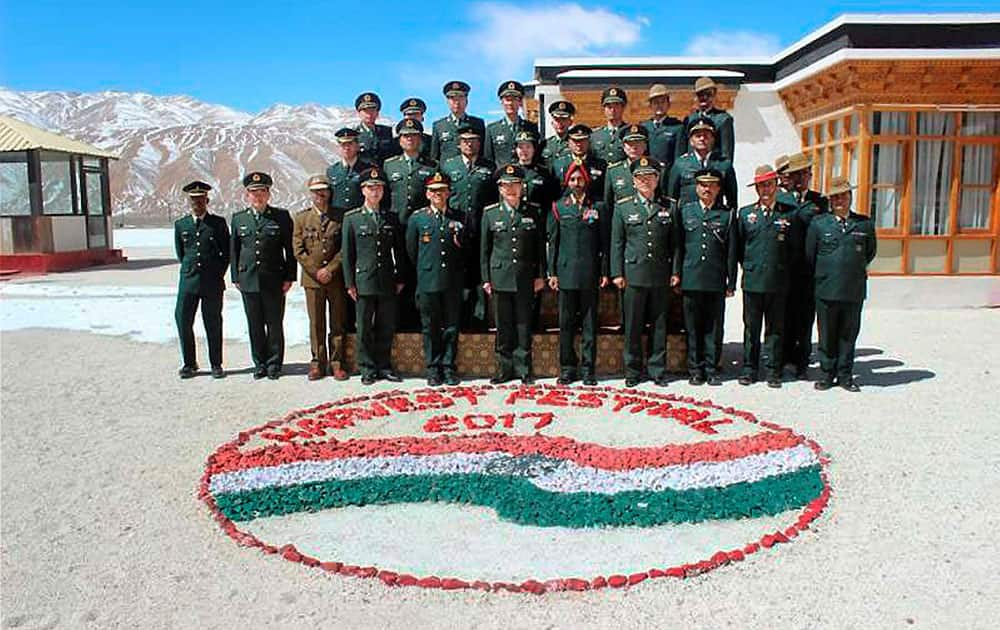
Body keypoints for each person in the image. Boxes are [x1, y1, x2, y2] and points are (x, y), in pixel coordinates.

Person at [729, 165, 800, 388]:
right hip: (753, 280)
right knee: (751, 328)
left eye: (769, 184)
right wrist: (750, 267)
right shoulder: (745, 214)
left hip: (778, 281)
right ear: (756, 188)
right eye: (761, 186)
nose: (766, 189)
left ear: (776, 185)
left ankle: (773, 370)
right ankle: (749, 369)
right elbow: (739, 248)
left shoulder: (789, 214)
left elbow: (795, 249)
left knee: (776, 328)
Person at [610, 157, 676, 387]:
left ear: (657, 180)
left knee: (659, 324)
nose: (645, 181)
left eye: (650, 177)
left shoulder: (669, 206)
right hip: (633, 274)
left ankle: (657, 369)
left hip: (659, 273)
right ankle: (633, 370)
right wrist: (617, 273)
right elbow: (617, 243)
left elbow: (675, 245)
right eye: (640, 177)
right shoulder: (623, 206)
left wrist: (675, 271)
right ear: (634, 181)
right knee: (633, 325)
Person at [806, 176, 876, 392]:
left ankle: (845, 375)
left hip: (852, 288)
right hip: (826, 288)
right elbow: (810, 255)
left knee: (848, 334)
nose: (839, 200)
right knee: (827, 334)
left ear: (850, 197)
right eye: (835, 197)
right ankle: (827, 374)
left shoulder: (864, 224)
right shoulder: (819, 224)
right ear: (830, 200)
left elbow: (870, 252)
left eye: (843, 196)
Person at [480, 164, 546, 384]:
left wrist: (540, 275)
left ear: (522, 187)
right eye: (506, 185)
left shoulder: (533, 211)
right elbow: (484, 251)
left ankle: (524, 369)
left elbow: (539, 249)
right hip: (500, 278)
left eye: (515, 184)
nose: (511, 189)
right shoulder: (490, 214)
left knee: (523, 324)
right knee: (503, 325)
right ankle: (504, 369)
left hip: (525, 277)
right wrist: (486, 279)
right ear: (500, 189)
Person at [341, 167, 406, 385]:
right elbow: (347, 254)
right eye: (371, 187)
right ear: (363, 190)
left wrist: (400, 278)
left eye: (379, 188)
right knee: (364, 326)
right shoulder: (352, 219)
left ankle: (384, 365)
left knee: (386, 326)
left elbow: (399, 251)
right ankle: (367, 367)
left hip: (387, 279)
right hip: (364, 281)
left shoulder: (391, 217)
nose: (375, 191)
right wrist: (350, 283)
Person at [230, 172, 295, 379]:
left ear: (269, 194)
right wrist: (235, 277)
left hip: (274, 279)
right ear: (246, 195)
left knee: (274, 323)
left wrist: (289, 277)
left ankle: (274, 363)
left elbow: (289, 250)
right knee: (255, 324)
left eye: (262, 191)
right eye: (253, 192)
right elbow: (234, 251)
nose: (258, 196)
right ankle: (259, 363)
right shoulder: (239, 219)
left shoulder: (281, 217)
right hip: (248, 279)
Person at [548, 161, 607, 385]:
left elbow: (603, 242)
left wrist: (604, 272)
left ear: (586, 181)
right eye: (573, 179)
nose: (576, 183)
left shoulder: (597, 207)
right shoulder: (558, 207)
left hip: (590, 274)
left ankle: (588, 369)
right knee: (566, 324)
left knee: (590, 324)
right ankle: (567, 368)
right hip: (566, 274)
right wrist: (552, 272)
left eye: (580, 179)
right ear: (567, 182)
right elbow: (553, 243)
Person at [671, 169, 732, 386]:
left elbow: (730, 252)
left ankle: (711, 367)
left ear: (718, 189)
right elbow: (678, 245)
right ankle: (695, 369)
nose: (707, 189)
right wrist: (676, 273)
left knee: (713, 327)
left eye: (712, 185)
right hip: (692, 277)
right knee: (693, 326)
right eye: (703, 185)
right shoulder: (685, 211)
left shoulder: (726, 214)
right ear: (696, 187)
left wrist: (731, 281)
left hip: (715, 279)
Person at [405, 172, 465, 386]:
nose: (438, 194)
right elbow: (412, 251)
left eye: (442, 190)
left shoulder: (459, 218)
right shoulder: (418, 218)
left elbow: (465, 249)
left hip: (452, 280)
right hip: (428, 280)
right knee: (430, 326)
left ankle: (448, 367)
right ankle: (433, 368)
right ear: (427, 193)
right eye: (433, 191)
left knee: (451, 326)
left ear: (448, 193)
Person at [292, 174, 349, 381]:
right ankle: (317, 363)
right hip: (312, 279)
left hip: (335, 278)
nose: (320, 194)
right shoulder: (301, 218)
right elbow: (298, 250)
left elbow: (344, 248)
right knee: (316, 323)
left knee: (337, 321)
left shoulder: (341, 216)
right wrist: (316, 271)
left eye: (323, 190)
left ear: (329, 192)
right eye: (316, 191)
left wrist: (331, 269)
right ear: (310, 193)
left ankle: (337, 363)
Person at [441, 123, 497, 329]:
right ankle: (458, 321)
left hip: (481, 228)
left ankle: (479, 322)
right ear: (458, 143)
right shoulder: (448, 166)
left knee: (480, 276)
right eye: (465, 141)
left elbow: (493, 199)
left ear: (480, 143)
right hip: (456, 230)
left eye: (473, 141)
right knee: (457, 277)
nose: (469, 144)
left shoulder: (489, 167)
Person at [384, 118, 438, 332]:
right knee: (399, 274)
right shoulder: (390, 165)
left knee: (421, 274)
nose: (410, 139)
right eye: (406, 136)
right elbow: (385, 196)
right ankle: (401, 323)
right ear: (399, 140)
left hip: (422, 228)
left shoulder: (431, 165)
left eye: (414, 135)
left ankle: (422, 322)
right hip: (397, 226)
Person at [174, 181, 229, 379]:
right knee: (183, 320)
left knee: (213, 322)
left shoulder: (218, 223)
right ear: (189, 202)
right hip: (188, 282)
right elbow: (181, 253)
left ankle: (216, 363)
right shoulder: (181, 225)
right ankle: (189, 363)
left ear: (207, 200)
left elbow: (226, 253)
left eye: (200, 199)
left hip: (212, 282)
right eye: (193, 199)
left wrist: (216, 273)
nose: (197, 203)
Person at [783, 152, 830, 379]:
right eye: (795, 174)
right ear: (788, 177)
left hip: (809, 269)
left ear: (810, 175)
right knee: (782, 316)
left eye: (804, 173)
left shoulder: (820, 202)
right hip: (784, 268)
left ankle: (802, 361)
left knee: (805, 317)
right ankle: (783, 359)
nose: (800, 178)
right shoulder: (782, 201)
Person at [667, 116, 738, 208]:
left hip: (715, 218)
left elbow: (732, 199)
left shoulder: (724, 165)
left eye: (706, 135)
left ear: (713, 139)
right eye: (698, 136)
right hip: (686, 219)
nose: (702, 139)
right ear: (691, 141)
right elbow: (672, 198)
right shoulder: (680, 164)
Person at [677, 77, 735, 161]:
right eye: (700, 94)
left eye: (708, 94)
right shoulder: (689, 119)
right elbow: (681, 151)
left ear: (714, 94)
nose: (704, 97)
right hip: (692, 168)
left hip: (713, 167)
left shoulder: (723, 119)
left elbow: (727, 154)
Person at [484, 80, 539, 166]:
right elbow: (488, 158)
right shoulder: (492, 129)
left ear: (520, 102)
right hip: (502, 177)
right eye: (507, 100)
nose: (510, 103)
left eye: (514, 99)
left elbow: (536, 156)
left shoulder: (531, 127)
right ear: (501, 102)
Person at [431, 81, 486, 163]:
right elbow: (434, 157)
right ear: (447, 102)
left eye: (460, 97)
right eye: (452, 98)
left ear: (466, 101)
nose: (457, 102)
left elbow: (483, 152)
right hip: (446, 173)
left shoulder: (477, 123)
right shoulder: (439, 126)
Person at [604, 124, 652, 219]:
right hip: (622, 221)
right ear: (623, 146)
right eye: (630, 143)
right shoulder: (614, 171)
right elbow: (608, 204)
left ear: (645, 145)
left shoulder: (655, 169)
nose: (634, 147)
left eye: (638, 143)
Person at [327, 127, 376, 215]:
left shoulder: (368, 170)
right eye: (343, 144)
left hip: (360, 218)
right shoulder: (331, 171)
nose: (346, 148)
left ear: (357, 146)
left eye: (350, 144)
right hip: (338, 219)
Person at [642, 84, 684, 175]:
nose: (659, 105)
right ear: (650, 105)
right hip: (648, 174)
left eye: (662, 102)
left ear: (668, 104)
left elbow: (679, 157)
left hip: (668, 173)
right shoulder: (644, 127)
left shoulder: (677, 127)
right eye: (656, 102)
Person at [354, 91, 397, 165]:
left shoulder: (386, 132)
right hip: (363, 173)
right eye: (365, 111)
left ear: (377, 113)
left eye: (372, 110)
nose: (369, 114)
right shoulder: (354, 134)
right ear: (359, 113)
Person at [590, 86, 629, 164]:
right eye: (609, 107)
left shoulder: (629, 132)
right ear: (604, 109)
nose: (613, 110)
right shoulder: (595, 136)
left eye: (616, 106)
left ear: (623, 107)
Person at [540, 100, 575, 168]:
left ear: (570, 122)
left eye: (564, 119)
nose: (560, 123)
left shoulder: (575, 144)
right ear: (552, 123)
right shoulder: (545, 144)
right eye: (557, 119)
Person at [399, 97, 433, 162]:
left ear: (422, 117)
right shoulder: (396, 143)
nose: (412, 117)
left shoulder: (431, 141)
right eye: (409, 114)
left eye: (416, 114)